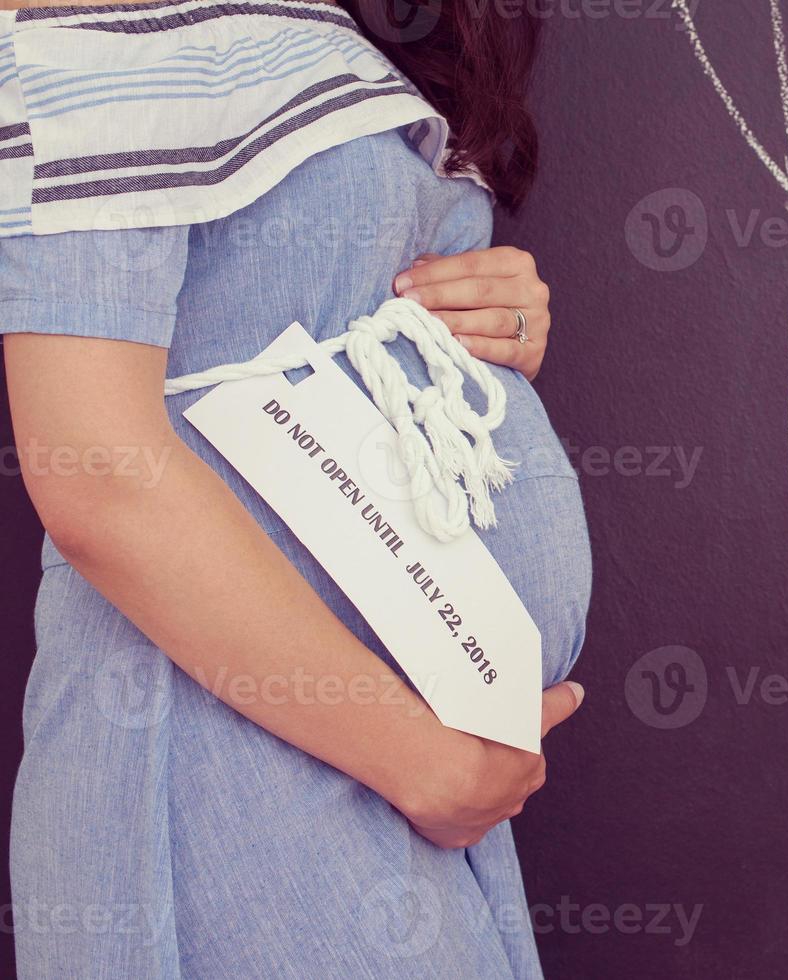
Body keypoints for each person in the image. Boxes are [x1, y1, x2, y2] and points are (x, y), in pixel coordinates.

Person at [0, 0, 590, 975]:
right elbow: (98, 467)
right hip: (232, 743)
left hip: (386, 750)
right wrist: (423, 759)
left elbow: (294, 289)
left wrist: (491, 314)